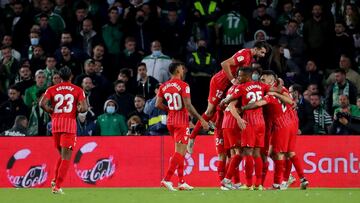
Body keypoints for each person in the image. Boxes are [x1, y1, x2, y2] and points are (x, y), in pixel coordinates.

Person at [188, 41, 269, 153]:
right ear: (256, 48)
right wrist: (232, 80)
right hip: (219, 82)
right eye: (262, 52)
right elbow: (224, 64)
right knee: (210, 111)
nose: (263, 55)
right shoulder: (244, 54)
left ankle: (214, 123)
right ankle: (192, 137)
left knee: (224, 107)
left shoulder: (250, 58)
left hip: (228, 85)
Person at [156, 62, 209, 191]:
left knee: (180, 152)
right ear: (178, 71)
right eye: (182, 68)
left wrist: (170, 110)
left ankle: (181, 181)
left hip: (171, 121)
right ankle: (167, 179)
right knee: (180, 153)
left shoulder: (164, 86)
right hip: (181, 122)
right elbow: (188, 106)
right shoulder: (183, 85)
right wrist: (201, 119)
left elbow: (158, 104)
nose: (184, 69)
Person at [39, 67, 88, 194]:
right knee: (66, 157)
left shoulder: (52, 89)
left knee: (62, 155)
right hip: (69, 126)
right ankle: (57, 186)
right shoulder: (78, 90)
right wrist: (76, 110)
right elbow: (84, 108)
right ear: (71, 76)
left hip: (56, 125)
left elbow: (42, 104)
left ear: (59, 77)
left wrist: (52, 112)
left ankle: (55, 180)